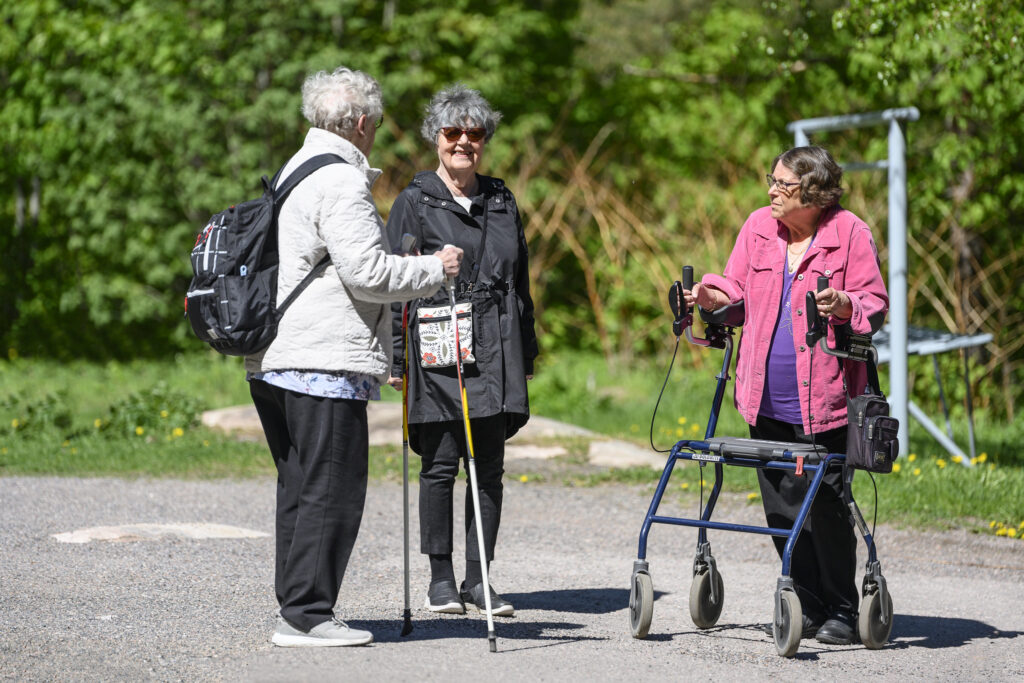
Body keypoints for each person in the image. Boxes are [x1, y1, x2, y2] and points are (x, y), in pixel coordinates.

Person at [245, 67, 463, 647]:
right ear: (363, 123)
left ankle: (297, 607)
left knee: (300, 487)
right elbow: (367, 274)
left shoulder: (294, 169)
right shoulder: (340, 181)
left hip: (276, 358)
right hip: (322, 363)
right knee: (332, 489)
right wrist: (432, 269)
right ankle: (308, 615)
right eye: (379, 123)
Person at [685, 146, 889, 645]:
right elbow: (735, 292)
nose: (771, 191)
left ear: (814, 193)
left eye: (783, 185)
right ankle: (807, 601)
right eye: (771, 181)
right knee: (780, 507)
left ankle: (843, 606)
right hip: (763, 396)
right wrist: (714, 297)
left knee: (827, 504)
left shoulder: (849, 234)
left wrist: (845, 303)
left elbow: (875, 304)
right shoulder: (758, 227)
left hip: (826, 398)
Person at [385, 84, 538, 618]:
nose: (464, 143)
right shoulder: (415, 199)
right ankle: (442, 580)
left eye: (475, 134)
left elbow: (521, 283)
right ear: (436, 138)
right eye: (454, 133)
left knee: (488, 468)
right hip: (440, 344)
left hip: (497, 347)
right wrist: (396, 361)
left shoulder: (501, 198)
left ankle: (480, 581)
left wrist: (529, 350)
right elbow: (392, 282)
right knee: (441, 464)